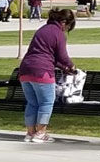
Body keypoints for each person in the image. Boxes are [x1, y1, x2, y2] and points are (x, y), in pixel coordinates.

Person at [19, 8, 77, 144]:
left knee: (32, 103)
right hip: (42, 71)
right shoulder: (58, 33)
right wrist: (71, 66)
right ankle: (40, 133)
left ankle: (30, 133)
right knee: (46, 102)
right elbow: (62, 56)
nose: (66, 30)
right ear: (63, 22)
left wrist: (64, 68)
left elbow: (49, 55)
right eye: (68, 27)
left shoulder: (42, 29)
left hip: (25, 70)